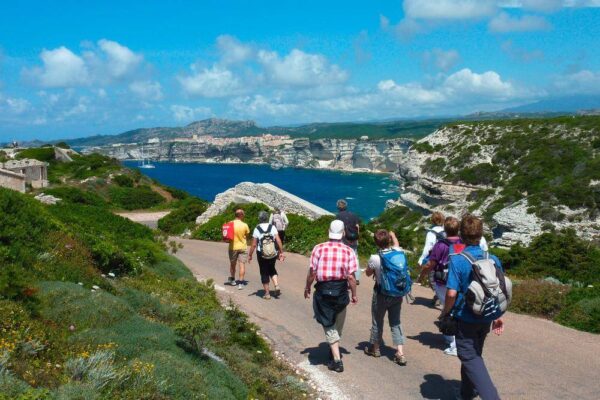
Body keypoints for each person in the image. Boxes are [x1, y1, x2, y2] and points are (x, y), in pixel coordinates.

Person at [441, 214, 505, 400]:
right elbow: (497, 289)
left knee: (469, 357)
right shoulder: (492, 258)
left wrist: (446, 313)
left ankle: (491, 396)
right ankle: (466, 393)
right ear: (481, 234)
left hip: (466, 316)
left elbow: (451, 293)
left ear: (461, 235)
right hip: (486, 315)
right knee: (474, 353)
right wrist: (498, 315)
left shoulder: (458, 259)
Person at [304, 220, 358, 373]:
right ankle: (334, 347)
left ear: (329, 231)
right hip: (341, 289)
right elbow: (352, 277)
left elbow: (312, 272)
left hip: (323, 289)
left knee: (327, 322)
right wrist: (354, 294)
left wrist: (307, 287)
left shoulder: (318, 248)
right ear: (343, 233)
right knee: (338, 320)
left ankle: (337, 359)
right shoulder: (349, 251)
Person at [363, 229, 408, 366]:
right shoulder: (399, 253)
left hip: (381, 293)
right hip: (397, 293)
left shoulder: (375, 258)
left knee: (377, 320)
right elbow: (396, 244)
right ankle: (400, 352)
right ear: (389, 240)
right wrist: (393, 235)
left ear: (376, 243)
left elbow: (368, 274)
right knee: (395, 322)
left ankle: (375, 348)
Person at [421, 216, 464, 357]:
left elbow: (431, 264)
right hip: (458, 280)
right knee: (456, 307)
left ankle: (453, 343)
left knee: (448, 309)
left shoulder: (441, 245)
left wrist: (422, 275)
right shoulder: (462, 243)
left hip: (443, 281)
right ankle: (453, 337)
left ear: (445, 229)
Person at [248, 211, 285, 300]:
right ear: (267, 218)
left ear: (259, 219)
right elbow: (278, 240)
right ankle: (276, 285)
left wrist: (250, 255)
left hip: (261, 254)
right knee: (272, 269)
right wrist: (281, 252)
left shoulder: (257, 228)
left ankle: (267, 294)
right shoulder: (272, 227)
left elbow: (253, 244)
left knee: (264, 272)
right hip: (273, 253)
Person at [417, 211, 445, 303]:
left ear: (432, 220)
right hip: (446, 258)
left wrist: (421, 259)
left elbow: (428, 247)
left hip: (434, 258)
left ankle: (440, 297)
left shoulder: (431, 232)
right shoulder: (446, 231)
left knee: (432, 279)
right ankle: (439, 297)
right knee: (443, 278)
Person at [336, 199, 362, 283]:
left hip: (344, 239)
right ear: (346, 206)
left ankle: (343, 276)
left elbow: (341, 229)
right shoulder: (354, 215)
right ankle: (357, 278)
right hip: (354, 238)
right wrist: (356, 237)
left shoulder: (338, 216)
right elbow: (357, 227)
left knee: (343, 257)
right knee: (355, 258)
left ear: (338, 207)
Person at [227, 209, 250, 290]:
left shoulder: (230, 223)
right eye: (243, 214)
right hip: (243, 247)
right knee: (242, 265)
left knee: (233, 264)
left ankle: (233, 280)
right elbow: (247, 234)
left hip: (233, 247)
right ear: (240, 215)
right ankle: (240, 284)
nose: (244, 215)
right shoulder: (245, 225)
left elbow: (226, 234)